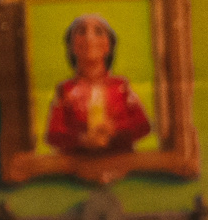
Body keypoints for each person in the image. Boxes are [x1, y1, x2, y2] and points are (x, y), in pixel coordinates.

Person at [43, 14, 154, 158]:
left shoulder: (121, 87)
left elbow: (143, 126)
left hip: (120, 162)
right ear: (72, 45)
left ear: (108, 45)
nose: (89, 38)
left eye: (98, 32)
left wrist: (114, 129)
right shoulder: (66, 89)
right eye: (81, 32)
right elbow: (53, 134)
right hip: (76, 164)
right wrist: (82, 140)